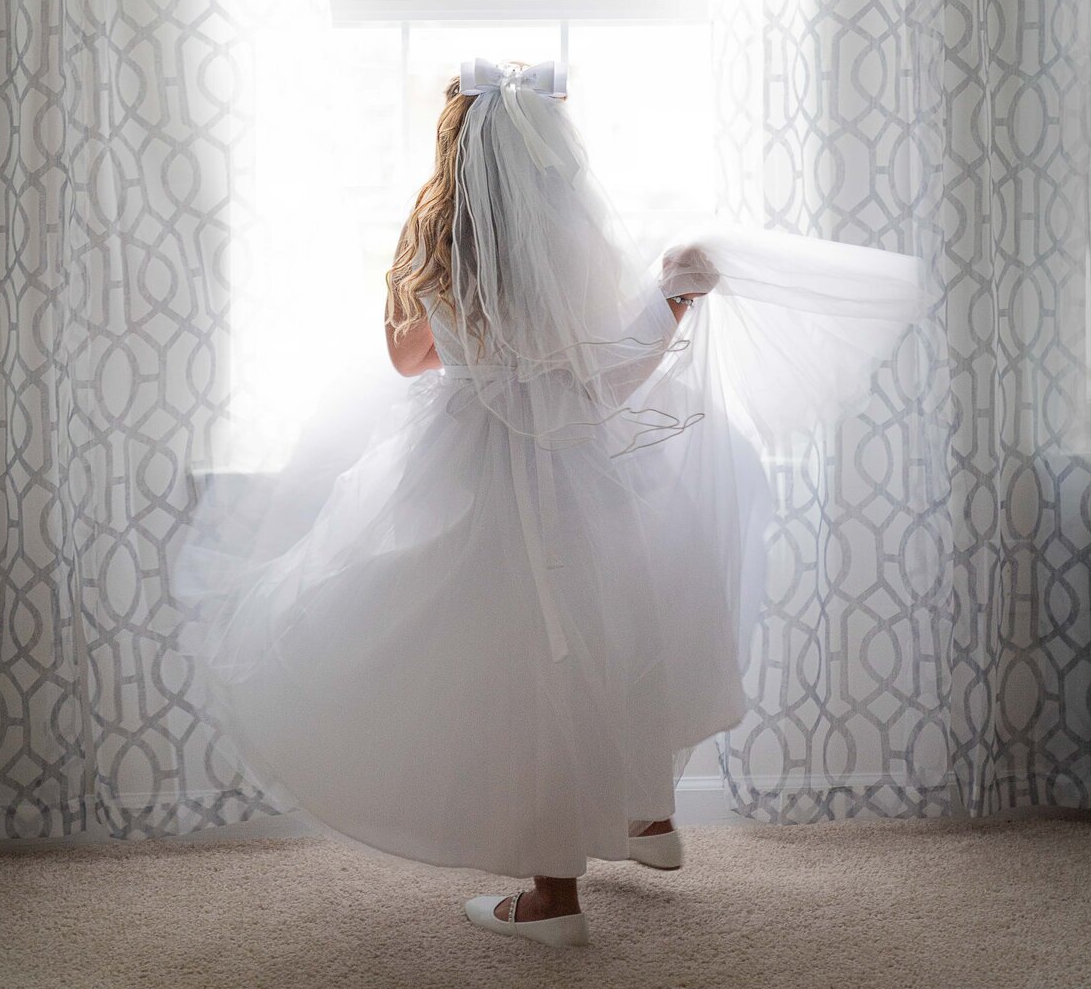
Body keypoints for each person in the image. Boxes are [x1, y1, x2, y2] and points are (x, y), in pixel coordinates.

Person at [178, 58, 929, 949]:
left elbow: (407, 360)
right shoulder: (575, 255)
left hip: (470, 483)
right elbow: (610, 376)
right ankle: (649, 818)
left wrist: (433, 303)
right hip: (584, 477)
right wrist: (671, 303)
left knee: (526, 668)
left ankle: (553, 898)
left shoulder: (441, 255)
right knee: (613, 631)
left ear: (455, 159)